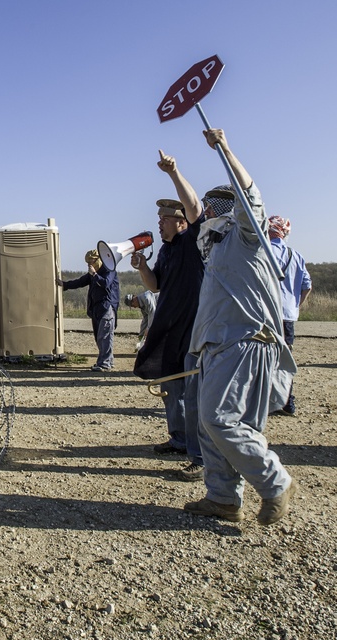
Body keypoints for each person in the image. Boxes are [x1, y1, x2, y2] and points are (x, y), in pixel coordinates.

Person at [181, 128, 296, 525]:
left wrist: (225, 150)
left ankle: (274, 482)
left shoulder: (247, 236)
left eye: (214, 208)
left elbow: (250, 199)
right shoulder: (214, 246)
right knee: (211, 425)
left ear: (225, 210)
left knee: (220, 420)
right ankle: (223, 498)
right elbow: (193, 209)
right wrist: (174, 174)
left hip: (245, 342)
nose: (205, 215)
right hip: (217, 344)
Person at [131, 157, 209, 482]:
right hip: (171, 329)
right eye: (159, 218)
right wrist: (142, 268)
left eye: (165, 219)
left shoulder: (193, 240)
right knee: (171, 388)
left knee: (194, 393)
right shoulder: (165, 250)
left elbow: (194, 207)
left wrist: (173, 173)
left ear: (181, 223)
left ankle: (200, 454)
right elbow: (156, 285)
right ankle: (178, 440)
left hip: (193, 328)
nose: (159, 224)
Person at [267, 216, 312, 416]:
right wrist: (295, 306)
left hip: (267, 314)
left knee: (265, 357)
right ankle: (287, 402)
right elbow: (306, 286)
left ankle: (266, 403)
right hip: (288, 316)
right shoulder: (296, 255)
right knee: (286, 359)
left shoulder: (264, 251)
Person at [57, 249, 119, 371]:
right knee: (99, 336)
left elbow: (106, 283)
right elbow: (80, 282)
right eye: (88, 263)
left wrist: (95, 275)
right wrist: (64, 284)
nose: (90, 265)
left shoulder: (109, 270)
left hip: (106, 306)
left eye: (91, 262)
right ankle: (108, 361)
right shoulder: (93, 273)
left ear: (98, 260)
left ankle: (104, 364)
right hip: (96, 308)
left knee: (104, 336)